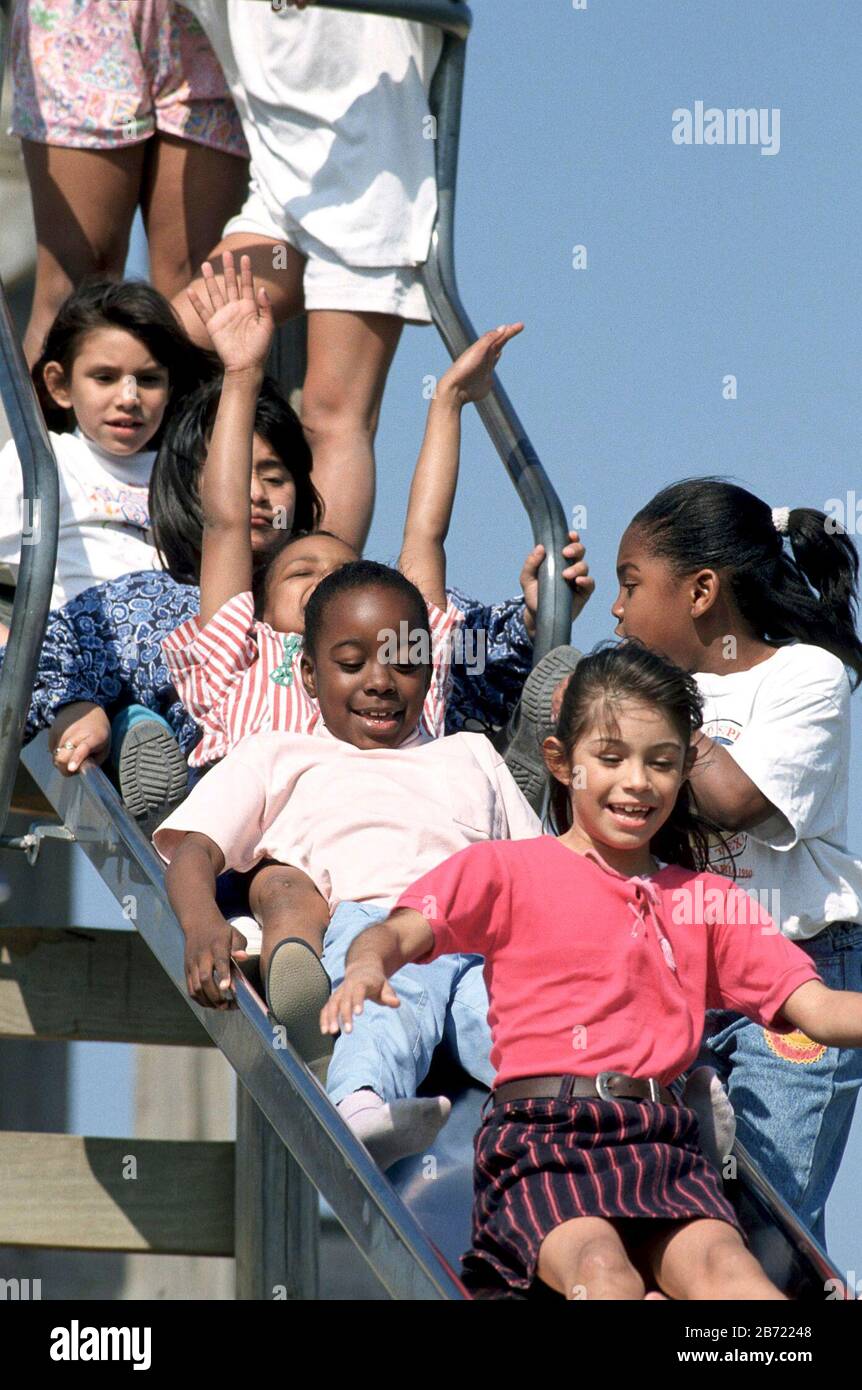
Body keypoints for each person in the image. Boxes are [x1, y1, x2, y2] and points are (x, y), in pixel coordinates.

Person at [323, 642, 862, 1300]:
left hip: (663, 1145)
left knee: (733, 1275)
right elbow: (401, 929)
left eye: (661, 763)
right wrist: (366, 963)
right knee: (603, 1274)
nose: (637, 782)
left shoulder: (706, 901)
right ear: (562, 762)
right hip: (543, 1138)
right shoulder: (506, 870)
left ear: (685, 767)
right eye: (611, 759)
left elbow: (819, 1009)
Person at [154, 559, 544, 1166]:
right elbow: (195, 849)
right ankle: (361, 1104)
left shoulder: (471, 756)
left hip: (476, 939)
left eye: (403, 661)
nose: (381, 681)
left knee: (525, 1020)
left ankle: (625, 1106)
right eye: (352, 663)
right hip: (373, 927)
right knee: (384, 1006)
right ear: (309, 674)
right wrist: (202, 924)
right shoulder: (280, 755)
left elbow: (539, 871)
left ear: (430, 667)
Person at [608, 478, 862, 1247]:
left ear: (702, 590)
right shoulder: (655, 692)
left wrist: (653, 712)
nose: (615, 611)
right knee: (668, 1218)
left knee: (768, 1224)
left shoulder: (806, 675)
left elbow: (734, 801)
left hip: (799, 970)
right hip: (677, 976)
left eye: (630, 586)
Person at [162, 250, 525, 767]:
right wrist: (241, 375)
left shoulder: (402, 665)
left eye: (345, 574)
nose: (324, 579)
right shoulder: (242, 660)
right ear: (257, 613)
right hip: (269, 838)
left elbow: (425, 535)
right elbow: (225, 522)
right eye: (300, 572)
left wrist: (447, 401)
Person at [172, 0, 445, 550]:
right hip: (280, 202)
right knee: (166, 344)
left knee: (332, 418)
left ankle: (316, 601)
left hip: (371, 197)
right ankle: (170, 555)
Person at [9, 0, 249, 366]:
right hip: (85, 15)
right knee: (71, 298)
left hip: (211, 20)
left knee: (200, 299)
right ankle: (47, 422)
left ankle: (188, 421)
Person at [0, 277, 213, 645]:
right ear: (60, 385)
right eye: (105, 377)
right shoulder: (40, 462)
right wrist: (11, 649)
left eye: (147, 380)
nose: (129, 398)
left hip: (176, 663)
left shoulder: (185, 472)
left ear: (170, 388)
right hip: (76, 664)